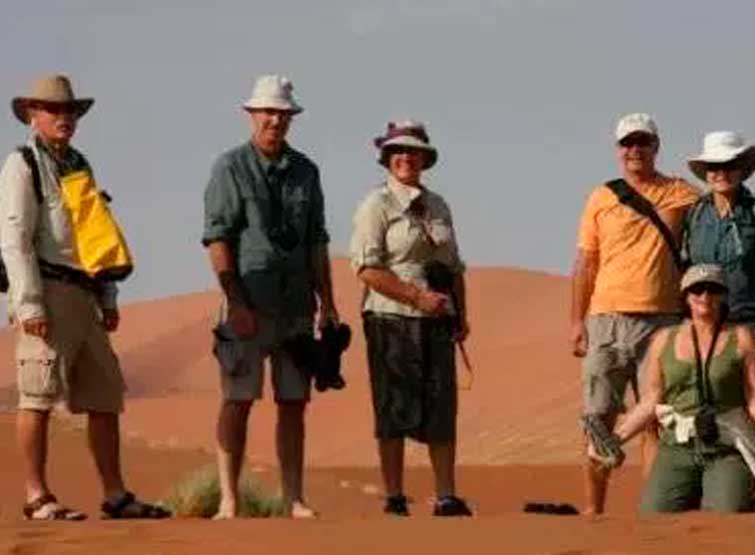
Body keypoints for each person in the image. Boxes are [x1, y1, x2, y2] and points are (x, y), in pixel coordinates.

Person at [0, 74, 168, 520]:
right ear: (33, 115)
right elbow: (13, 239)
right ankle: (37, 495)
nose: (63, 118)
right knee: (38, 392)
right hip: (47, 290)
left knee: (104, 395)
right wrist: (29, 303)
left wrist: (108, 294)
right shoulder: (22, 164)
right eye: (53, 110)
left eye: (69, 111)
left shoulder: (78, 165)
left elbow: (97, 235)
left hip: (85, 292)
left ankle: (115, 495)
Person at [202, 75, 339, 519]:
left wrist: (329, 303)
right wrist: (235, 301)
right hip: (247, 302)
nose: (275, 120)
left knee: (294, 401)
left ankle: (293, 497)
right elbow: (218, 238)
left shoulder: (306, 171)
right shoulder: (229, 167)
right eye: (267, 112)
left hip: (297, 302)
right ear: (251, 115)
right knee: (238, 398)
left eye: (282, 113)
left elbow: (317, 240)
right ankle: (229, 497)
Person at [571, 113, 700, 516]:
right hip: (605, 318)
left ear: (656, 147)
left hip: (662, 321)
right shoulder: (601, 198)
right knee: (598, 417)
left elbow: (718, 210)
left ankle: (653, 510)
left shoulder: (682, 194)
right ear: (617, 149)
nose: (635, 151)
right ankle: (594, 510)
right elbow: (585, 262)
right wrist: (576, 321)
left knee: (657, 417)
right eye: (627, 143)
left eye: (643, 143)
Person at [605, 265, 755, 513]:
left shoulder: (741, 338)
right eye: (697, 289)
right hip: (678, 446)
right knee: (652, 515)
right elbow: (651, 400)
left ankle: (741, 491)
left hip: (726, 445)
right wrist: (617, 438)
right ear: (686, 296)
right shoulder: (663, 340)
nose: (705, 296)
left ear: (723, 295)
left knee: (727, 515)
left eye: (713, 289)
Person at [349, 120, 472, 517]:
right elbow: (367, 268)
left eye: (413, 151)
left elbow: (453, 266)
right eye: (398, 151)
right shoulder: (376, 205)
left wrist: (460, 313)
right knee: (392, 406)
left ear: (424, 158)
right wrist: (417, 297)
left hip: (438, 319)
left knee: (442, 405)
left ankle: (446, 494)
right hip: (391, 318)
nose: (406, 157)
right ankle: (394, 495)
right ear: (387, 159)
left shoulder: (439, 205)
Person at [684, 131, 755, 400]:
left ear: (741, 169)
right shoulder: (695, 216)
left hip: (754, 324)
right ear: (705, 172)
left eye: (729, 165)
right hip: (707, 328)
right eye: (714, 167)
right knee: (711, 409)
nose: (721, 173)